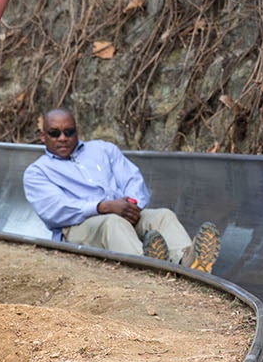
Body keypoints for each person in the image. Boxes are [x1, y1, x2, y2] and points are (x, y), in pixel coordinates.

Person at [22, 107, 221, 273]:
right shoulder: (37, 172)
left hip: (121, 213)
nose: (63, 138)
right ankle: (149, 273)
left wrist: (131, 206)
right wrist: (103, 207)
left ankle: (188, 265)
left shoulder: (102, 149)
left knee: (163, 216)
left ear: (77, 132)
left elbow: (132, 178)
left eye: (69, 132)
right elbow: (57, 210)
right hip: (79, 227)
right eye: (55, 133)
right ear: (43, 136)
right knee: (113, 223)